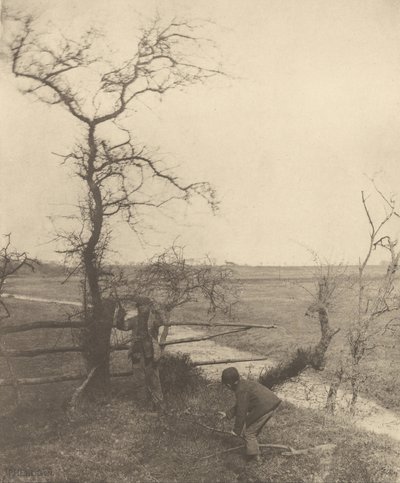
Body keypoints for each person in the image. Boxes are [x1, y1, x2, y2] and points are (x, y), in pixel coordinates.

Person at [219, 367, 281, 461]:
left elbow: (241, 411)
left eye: (226, 385)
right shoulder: (243, 384)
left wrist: (236, 430)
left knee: (249, 433)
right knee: (252, 429)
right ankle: (253, 450)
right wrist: (227, 414)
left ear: (228, 385)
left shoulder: (241, 391)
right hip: (270, 403)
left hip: (264, 407)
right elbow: (241, 405)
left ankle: (254, 458)